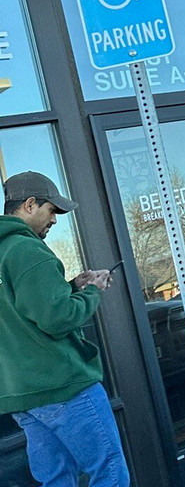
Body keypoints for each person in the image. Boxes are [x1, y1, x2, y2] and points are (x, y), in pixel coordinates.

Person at [0, 171, 130, 487]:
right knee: (110, 471)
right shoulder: (28, 250)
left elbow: (18, 309)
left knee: (56, 480)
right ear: (30, 204)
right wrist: (93, 291)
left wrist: (71, 286)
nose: (55, 220)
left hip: (22, 395)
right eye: (52, 210)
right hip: (62, 386)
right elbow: (57, 319)